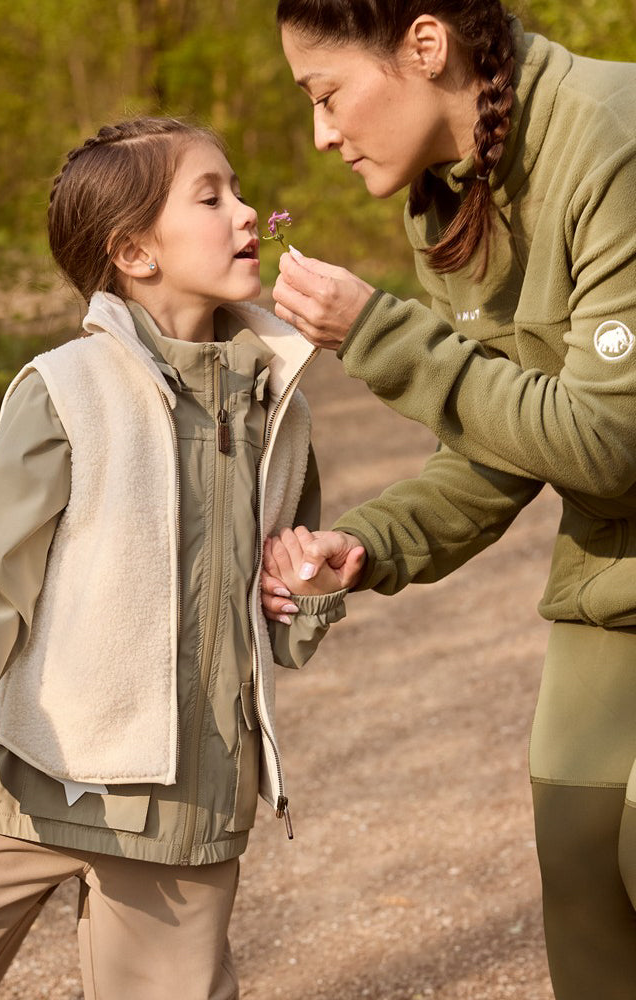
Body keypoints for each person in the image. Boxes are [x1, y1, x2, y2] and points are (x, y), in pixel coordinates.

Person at [0, 115, 359, 1000]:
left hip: (188, 800)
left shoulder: (280, 408)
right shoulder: (67, 393)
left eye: (239, 191)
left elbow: (277, 617)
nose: (247, 213)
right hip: (37, 775)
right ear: (134, 252)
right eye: (211, 198)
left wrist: (306, 590)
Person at [259, 2, 636, 997]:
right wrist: (366, 544)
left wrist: (377, 335)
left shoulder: (613, 139)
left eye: (326, 95)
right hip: (615, 571)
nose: (320, 133)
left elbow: (606, 444)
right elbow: (497, 450)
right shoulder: (446, 201)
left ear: (425, 47)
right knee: (583, 866)